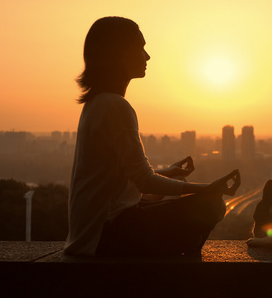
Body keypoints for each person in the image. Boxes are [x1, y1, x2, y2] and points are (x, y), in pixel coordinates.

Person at [64, 16, 240, 257]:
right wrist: (208, 188)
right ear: (120, 54)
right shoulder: (115, 106)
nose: (147, 56)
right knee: (210, 203)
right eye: (141, 48)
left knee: (185, 190)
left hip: (92, 233)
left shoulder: (98, 103)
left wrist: (168, 172)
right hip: (105, 235)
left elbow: (126, 178)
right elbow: (145, 181)